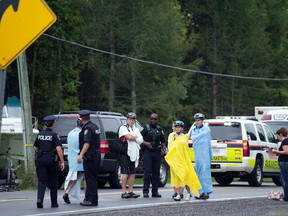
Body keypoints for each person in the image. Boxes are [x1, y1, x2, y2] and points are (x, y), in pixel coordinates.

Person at [165, 120, 202, 201]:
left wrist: (195, 123)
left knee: (186, 177)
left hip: (183, 160)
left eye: (179, 127)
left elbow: (191, 131)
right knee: (176, 178)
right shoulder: (171, 136)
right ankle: (178, 194)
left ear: (182, 128)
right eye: (176, 127)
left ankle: (189, 193)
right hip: (174, 160)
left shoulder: (185, 136)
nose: (177, 129)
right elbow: (169, 146)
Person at [34, 115, 65, 208]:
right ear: (53, 123)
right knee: (53, 182)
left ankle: (39, 200)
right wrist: (62, 161)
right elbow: (59, 149)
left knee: (42, 181)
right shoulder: (54, 135)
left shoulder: (40, 134)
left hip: (41, 159)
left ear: (45, 124)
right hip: (51, 160)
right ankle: (54, 203)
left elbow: (35, 146)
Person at [77, 110, 101, 206]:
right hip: (96, 155)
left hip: (90, 156)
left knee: (89, 178)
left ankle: (90, 199)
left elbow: (87, 143)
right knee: (93, 178)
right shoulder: (94, 126)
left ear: (82, 118)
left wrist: (81, 155)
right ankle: (93, 199)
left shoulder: (88, 129)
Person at [141, 113, 166, 198]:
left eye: (155, 119)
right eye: (152, 119)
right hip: (147, 152)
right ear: (149, 119)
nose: (153, 121)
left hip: (157, 152)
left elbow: (163, 141)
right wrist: (146, 143)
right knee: (147, 172)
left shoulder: (159, 129)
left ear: (157, 120)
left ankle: (155, 191)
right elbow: (139, 139)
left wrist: (164, 148)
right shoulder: (146, 128)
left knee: (156, 173)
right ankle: (145, 191)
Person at [119, 112, 143, 199]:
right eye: (130, 119)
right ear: (127, 119)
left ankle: (131, 191)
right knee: (125, 173)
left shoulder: (136, 129)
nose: (131, 121)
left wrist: (133, 137)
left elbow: (141, 140)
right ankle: (123, 192)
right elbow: (128, 137)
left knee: (132, 173)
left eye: (133, 120)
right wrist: (134, 137)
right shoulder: (123, 127)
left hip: (134, 153)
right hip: (125, 153)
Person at [189, 113, 213, 199]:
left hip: (205, 153)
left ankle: (206, 191)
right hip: (197, 154)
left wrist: (195, 138)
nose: (197, 122)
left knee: (205, 172)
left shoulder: (206, 128)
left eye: (198, 120)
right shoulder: (194, 129)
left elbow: (196, 138)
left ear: (202, 121)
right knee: (198, 173)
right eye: (196, 121)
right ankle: (200, 192)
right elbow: (192, 137)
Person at [63, 118, 85, 204]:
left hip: (72, 159)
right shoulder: (81, 134)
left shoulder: (70, 133)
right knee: (84, 178)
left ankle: (67, 192)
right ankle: (86, 197)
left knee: (74, 178)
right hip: (80, 158)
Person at [271, 127, 288, 201]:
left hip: (284, 163)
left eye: (277, 136)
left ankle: (286, 197)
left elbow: (286, 152)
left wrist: (276, 152)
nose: (277, 138)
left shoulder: (285, 141)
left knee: (284, 181)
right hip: (284, 162)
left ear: (280, 134)